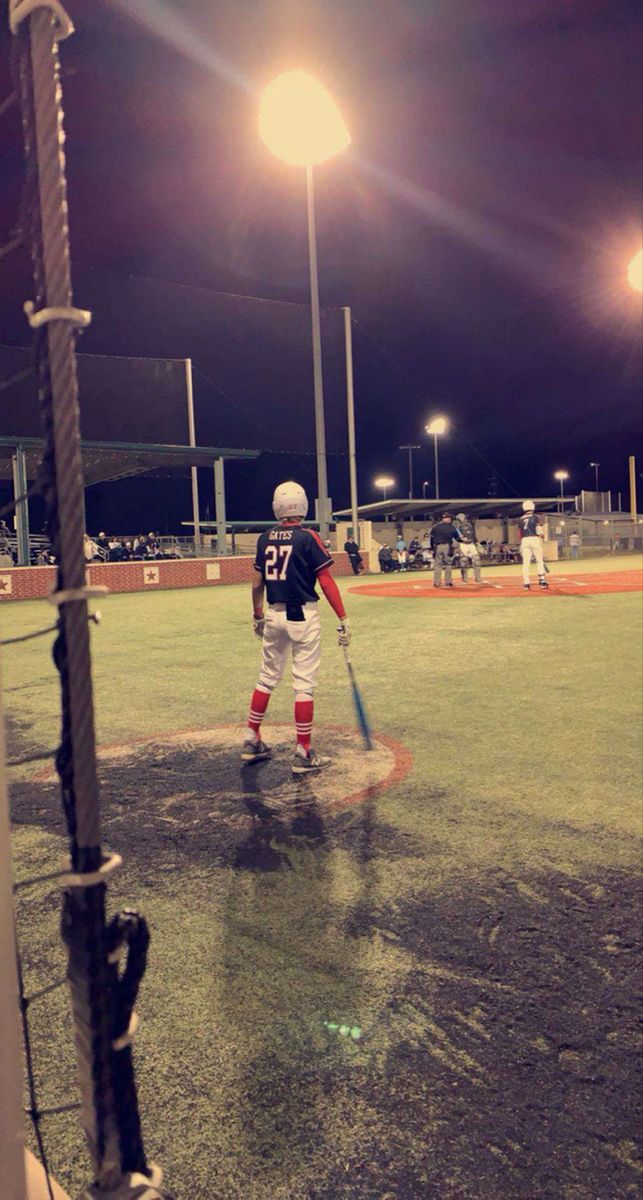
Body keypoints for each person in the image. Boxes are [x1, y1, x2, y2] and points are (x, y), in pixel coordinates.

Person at [242, 481, 350, 775]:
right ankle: (303, 752)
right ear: (302, 505)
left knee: (266, 678)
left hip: (274, 615)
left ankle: (251, 740)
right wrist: (343, 617)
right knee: (303, 684)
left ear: (277, 506)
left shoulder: (264, 538)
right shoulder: (308, 537)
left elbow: (256, 583)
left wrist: (258, 615)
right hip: (303, 615)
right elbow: (326, 581)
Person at [518, 500, 548, 589]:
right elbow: (539, 530)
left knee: (526, 563)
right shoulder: (535, 517)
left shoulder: (520, 519)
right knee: (539, 561)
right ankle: (542, 581)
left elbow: (519, 534)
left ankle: (526, 583)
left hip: (524, 540)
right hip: (534, 539)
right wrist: (543, 537)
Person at [430, 513, 461, 587]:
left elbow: (431, 539)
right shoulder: (452, 527)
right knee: (448, 564)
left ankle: (437, 583)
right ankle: (448, 582)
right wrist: (464, 540)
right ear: (449, 519)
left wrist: (432, 548)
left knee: (438, 565)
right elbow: (457, 538)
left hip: (438, 547)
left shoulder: (436, 527)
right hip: (447, 546)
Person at [454, 512, 482, 583]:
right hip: (463, 544)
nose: (459, 519)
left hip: (471, 543)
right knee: (463, 561)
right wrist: (460, 540)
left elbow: (473, 535)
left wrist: (477, 543)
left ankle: (477, 577)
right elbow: (456, 536)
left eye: (460, 517)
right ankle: (464, 579)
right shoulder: (457, 527)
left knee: (477, 560)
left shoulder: (470, 525)